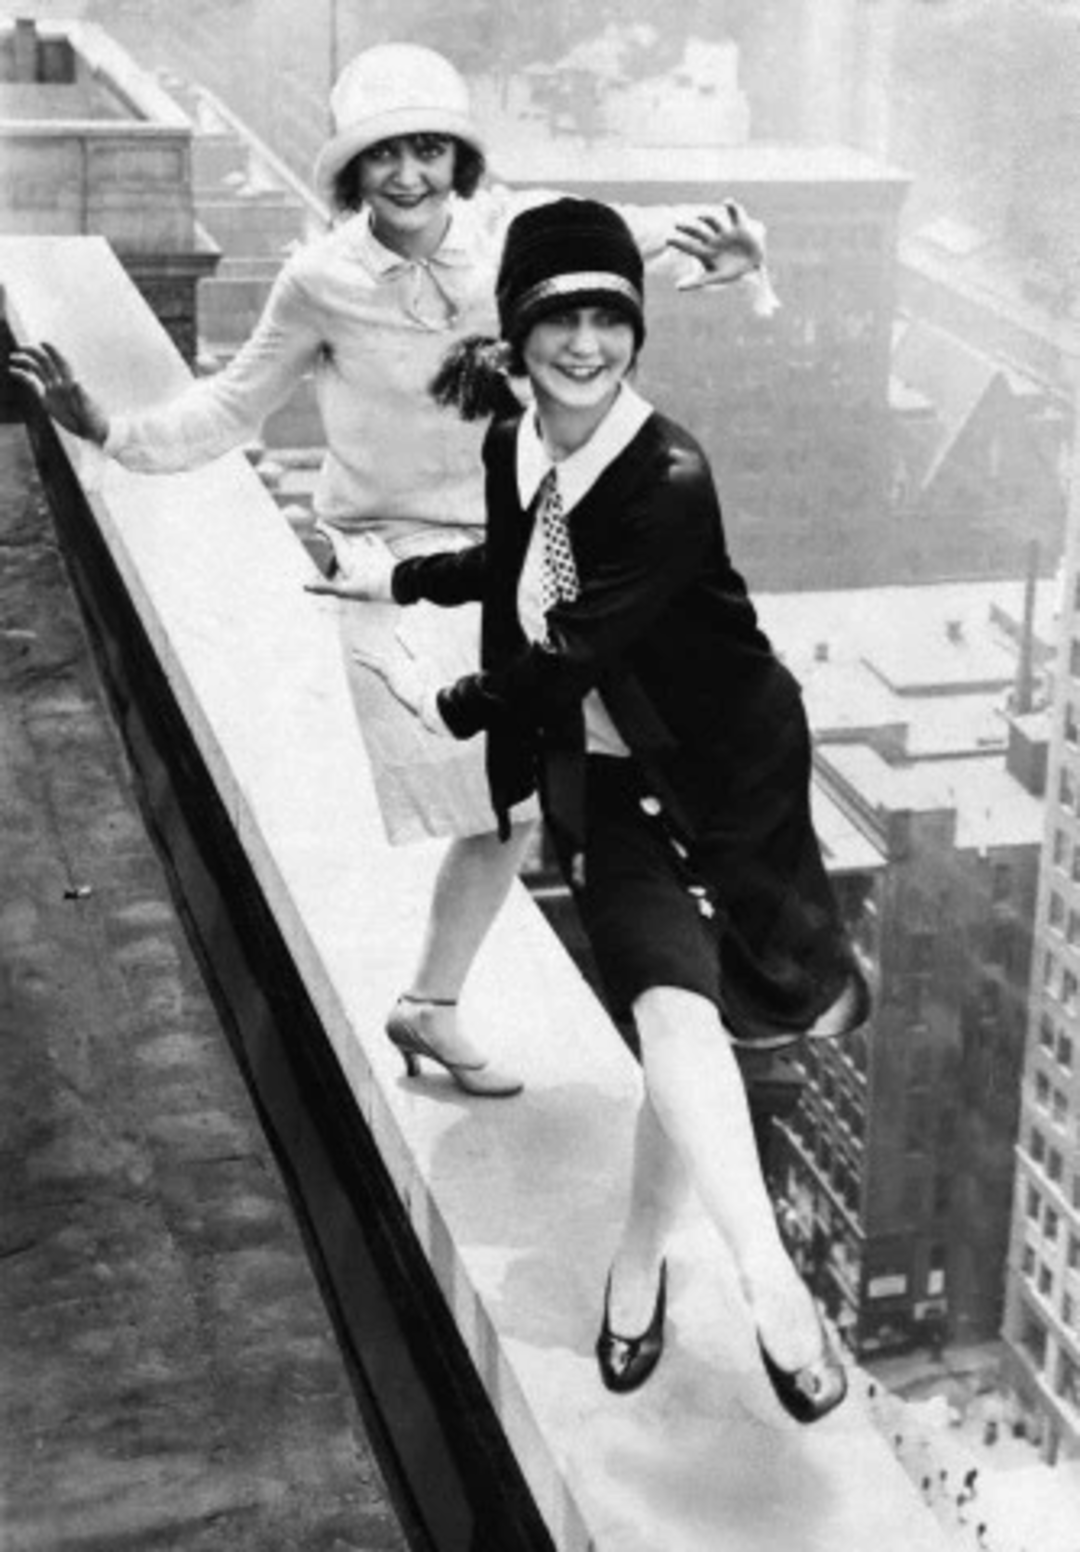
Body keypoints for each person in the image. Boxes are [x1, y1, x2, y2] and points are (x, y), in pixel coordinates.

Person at [8, 43, 772, 1101]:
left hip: (522, 538)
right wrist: (111, 429)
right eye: (383, 156)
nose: (408, 175)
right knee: (507, 791)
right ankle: (447, 1000)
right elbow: (232, 405)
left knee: (578, 772)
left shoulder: (513, 232)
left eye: (428, 151)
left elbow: (654, 236)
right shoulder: (319, 281)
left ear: (458, 159)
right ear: (352, 171)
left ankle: (466, 1001)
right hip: (393, 553)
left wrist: (735, 248)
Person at [309, 197, 870, 1420]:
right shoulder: (518, 441)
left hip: (729, 774)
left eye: (609, 317)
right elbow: (513, 566)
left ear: (637, 330)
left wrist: (448, 699)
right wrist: (392, 575)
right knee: (671, 1009)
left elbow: (571, 646)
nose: (585, 342)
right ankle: (763, 1278)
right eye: (558, 316)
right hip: (607, 776)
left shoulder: (667, 477)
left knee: (697, 1021)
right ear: (517, 331)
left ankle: (651, 1260)